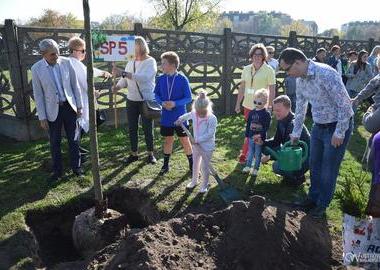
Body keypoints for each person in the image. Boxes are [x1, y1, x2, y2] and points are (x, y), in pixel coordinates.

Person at [279, 48, 354, 218]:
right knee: (315, 164)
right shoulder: (300, 81)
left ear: (298, 62)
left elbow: (345, 105)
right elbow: (300, 107)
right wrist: (296, 131)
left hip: (337, 126)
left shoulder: (327, 74)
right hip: (318, 126)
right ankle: (312, 198)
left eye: (287, 69)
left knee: (328, 168)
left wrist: (340, 132)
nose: (288, 74)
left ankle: (322, 204)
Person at [31, 39, 83, 181]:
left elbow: (75, 85)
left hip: (69, 107)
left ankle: (77, 168)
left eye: (58, 53)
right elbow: (38, 94)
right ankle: (57, 171)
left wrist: (79, 106)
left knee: (74, 139)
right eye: (52, 54)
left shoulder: (67, 62)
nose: (56, 57)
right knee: (55, 142)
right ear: (43, 54)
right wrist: (42, 116)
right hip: (52, 111)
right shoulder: (36, 69)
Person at [113, 36, 157, 165]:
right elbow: (125, 79)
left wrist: (123, 73)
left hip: (146, 100)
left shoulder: (150, 61)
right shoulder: (130, 61)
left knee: (147, 128)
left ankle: (150, 154)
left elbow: (144, 78)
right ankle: (134, 153)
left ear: (141, 46)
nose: (130, 49)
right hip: (131, 100)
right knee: (132, 128)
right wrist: (118, 86)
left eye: (133, 46)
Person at [67, 37, 111, 160]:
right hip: (79, 101)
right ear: (74, 51)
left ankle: (76, 149)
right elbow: (85, 79)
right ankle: (76, 152)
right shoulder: (75, 63)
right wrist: (93, 93)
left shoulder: (69, 62)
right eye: (83, 51)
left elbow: (88, 71)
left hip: (73, 101)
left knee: (78, 126)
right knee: (79, 127)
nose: (85, 53)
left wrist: (102, 73)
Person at [235, 43, 276, 164]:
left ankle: (247, 155)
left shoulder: (269, 70)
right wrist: (238, 103)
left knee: (258, 131)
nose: (257, 57)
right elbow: (242, 87)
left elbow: (272, 89)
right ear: (251, 55)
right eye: (255, 54)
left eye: (260, 54)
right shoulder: (246, 69)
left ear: (264, 56)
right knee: (250, 130)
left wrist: (270, 106)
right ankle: (256, 155)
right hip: (248, 105)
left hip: (261, 107)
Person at [154, 51, 193, 174]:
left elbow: (189, 98)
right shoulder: (160, 79)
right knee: (168, 140)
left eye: (163, 63)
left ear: (172, 65)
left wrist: (175, 103)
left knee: (184, 140)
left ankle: (192, 165)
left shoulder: (182, 79)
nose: (161, 66)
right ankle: (165, 165)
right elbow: (156, 94)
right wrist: (162, 103)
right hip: (166, 117)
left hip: (180, 117)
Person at [260, 95, 310, 186]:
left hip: (302, 159)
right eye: (274, 110)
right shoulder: (281, 120)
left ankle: (297, 177)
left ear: (288, 108)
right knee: (264, 147)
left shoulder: (294, 124)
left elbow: (290, 151)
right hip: (289, 152)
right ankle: (292, 174)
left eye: (278, 110)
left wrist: (269, 158)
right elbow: (276, 141)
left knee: (276, 166)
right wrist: (262, 142)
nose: (275, 113)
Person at [175, 91, 217, 193]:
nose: (200, 114)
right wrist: (180, 119)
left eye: (203, 112)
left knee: (204, 166)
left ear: (208, 108)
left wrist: (197, 140)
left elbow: (210, 133)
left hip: (207, 146)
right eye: (198, 112)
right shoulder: (194, 114)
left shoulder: (212, 118)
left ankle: (205, 184)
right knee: (195, 163)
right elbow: (187, 115)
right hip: (196, 145)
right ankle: (194, 181)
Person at [242, 89, 271, 176]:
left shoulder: (266, 114)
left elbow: (266, 127)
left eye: (259, 103)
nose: (256, 105)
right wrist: (247, 135)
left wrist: (260, 135)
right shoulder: (252, 112)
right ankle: (248, 166)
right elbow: (248, 124)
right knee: (250, 152)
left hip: (259, 138)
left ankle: (256, 168)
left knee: (258, 153)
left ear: (265, 102)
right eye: (255, 102)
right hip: (251, 136)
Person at [352, 57, 380, 134]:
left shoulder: (377, 78)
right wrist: (357, 98)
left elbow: (367, 90)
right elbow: (366, 91)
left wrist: (370, 110)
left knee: (369, 125)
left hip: (377, 109)